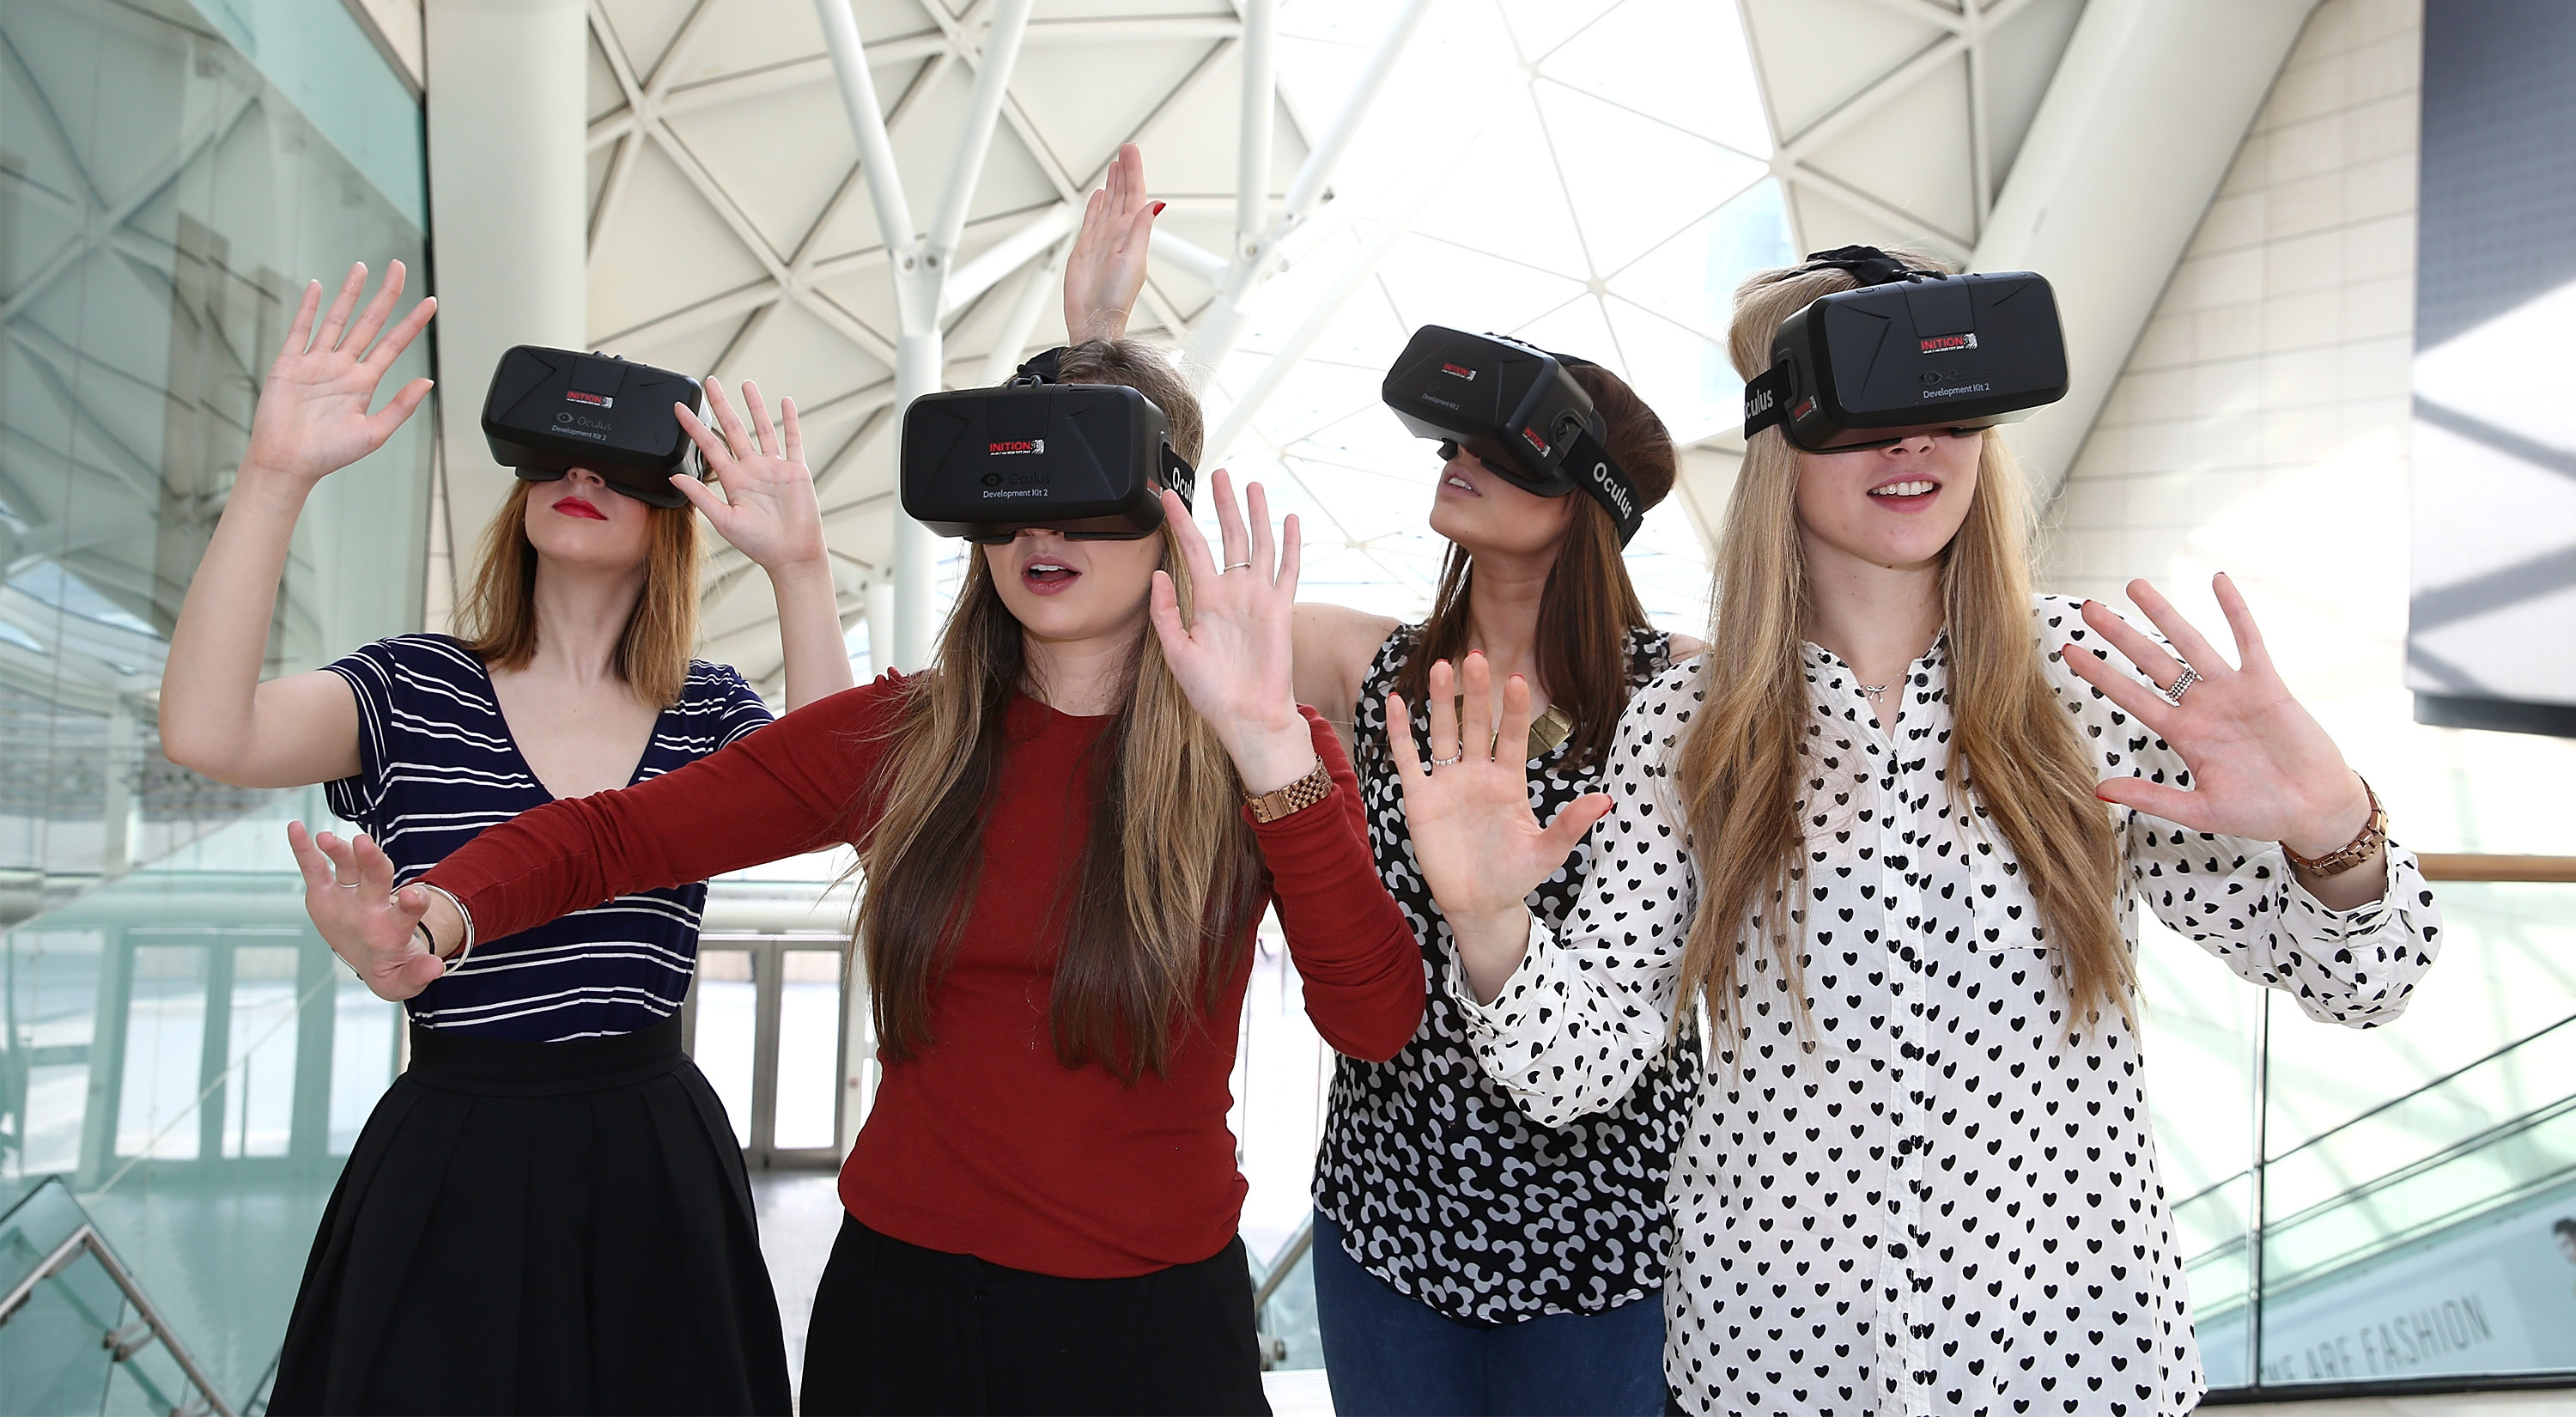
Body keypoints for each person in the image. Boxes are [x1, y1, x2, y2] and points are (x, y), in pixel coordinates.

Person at [1383, 250, 2445, 1415]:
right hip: (1774, 1368)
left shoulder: (2092, 686)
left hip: (2073, 1365)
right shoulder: (1687, 729)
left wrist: (2335, 827)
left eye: (1950, 406)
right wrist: (1491, 925)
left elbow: (2367, 980)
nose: (1914, 444)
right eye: (1866, 403)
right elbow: (1574, 1065)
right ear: (1779, 429)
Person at [291, 337, 1428, 1417]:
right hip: (901, 1316)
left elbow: (1373, 1018)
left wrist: (1275, 753)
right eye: (1016, 485)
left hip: (1147, 1330)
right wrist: (439, 910)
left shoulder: (1265, 755)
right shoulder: (906, 736)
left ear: (1169, 508)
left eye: (1090, 486)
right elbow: (614, 838)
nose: (1047, 527)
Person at [1062, 145, 1702, 1414]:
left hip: (1612, 1250)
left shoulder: (1677, 693)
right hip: (1391, 1238)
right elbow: (1174, 582)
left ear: (1589, 495)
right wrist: (1098, 342)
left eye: (1508, 440)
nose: (1457, 450)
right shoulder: (1371, 669)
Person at [161, 262, 849, 1414]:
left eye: (616, 462)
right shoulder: (413, 685)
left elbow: (840, 795)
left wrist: (802, 569)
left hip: (651, 1163)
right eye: (555, 457)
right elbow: (207, 727)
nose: (580, 474)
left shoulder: (707, 709)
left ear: (672, 510)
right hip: (454, 1161)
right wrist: (275, 473)